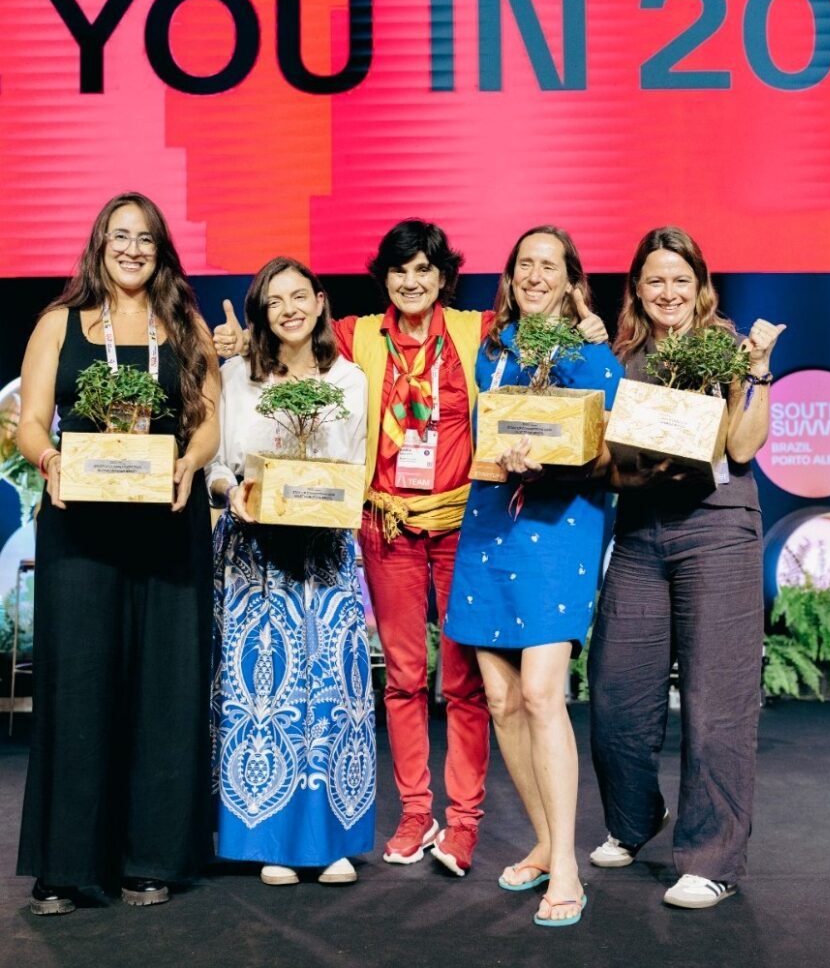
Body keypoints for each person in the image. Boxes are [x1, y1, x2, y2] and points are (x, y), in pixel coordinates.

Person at [213, 220, 608, 877]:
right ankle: (415, 813)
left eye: (425, 269)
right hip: (386, 526)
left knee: (465, 682)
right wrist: (233, 342)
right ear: (385, 279)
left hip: (462, 527)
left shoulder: (478, 330)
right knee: (402, 677)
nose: (412, 281)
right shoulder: (358, 335)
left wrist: (586, 327)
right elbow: (292, 336)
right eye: (400, 271)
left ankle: (464, 823)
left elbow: (541, 324)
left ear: (443, 277)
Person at [16, 192, 220, 914]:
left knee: (165, 688)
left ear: (161, 251)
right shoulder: (58, 323)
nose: (132, 250)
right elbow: (31, 421)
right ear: (99, 246)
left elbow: (209, 420)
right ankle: (67, 866)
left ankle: (151, 858)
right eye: (120, 237)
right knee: (79, 685)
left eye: (145, 239)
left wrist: (191, 462)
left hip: (167, 521)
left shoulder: (185, 324)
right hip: (81, 526)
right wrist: (48, 460)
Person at [587, 226, 785, 909]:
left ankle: (711, 860)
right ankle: (637, 817)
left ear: (700, 287)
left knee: (716, 705)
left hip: (717, 529)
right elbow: (605, 459)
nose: (668, 291)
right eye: (655, 280)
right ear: (637, 290)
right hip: (641, 533)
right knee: (615, 695)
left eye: (680, 279)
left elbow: (744, 446)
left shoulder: (727, 348)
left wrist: (757, 369)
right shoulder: (621, 359)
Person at [443, 226, 623, 925]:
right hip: (491, 519)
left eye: (550, 266)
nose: (535, 275)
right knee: (502, 699)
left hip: (561, 525)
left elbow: (606, 450)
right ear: (510, 274)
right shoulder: (495, 347)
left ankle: (567, 868)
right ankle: (545, 842)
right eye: (525, 263)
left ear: (572, 281)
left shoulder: (593, 351)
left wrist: (555, 459)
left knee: (544, 693)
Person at [206, 256, 375, 886]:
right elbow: (215, 465)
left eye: (299, 296)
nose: (289, 310)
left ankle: (329, 841)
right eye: (274, 301)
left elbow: (354, 465)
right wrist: (232, 493)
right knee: (260, 694)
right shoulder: (235, 376)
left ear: (320, 300)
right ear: (261, 313)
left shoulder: (349, 380)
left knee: (330, 694)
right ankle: (267, 839)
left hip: (325, 554)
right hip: (252, 555)